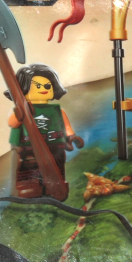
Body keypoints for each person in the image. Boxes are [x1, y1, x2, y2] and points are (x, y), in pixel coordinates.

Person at [5, 63, 83, 198]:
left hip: (55, 146)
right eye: (37, 86)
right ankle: (29, 187)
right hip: (28, 147)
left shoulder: (57, 111)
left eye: (47, 86)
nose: (43, 89)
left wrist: (71, 137)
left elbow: (66, 127)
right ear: (23, 88)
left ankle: (56, 188)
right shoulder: (22, 109)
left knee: (56, 166)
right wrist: (20, 113)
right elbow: (12, 123)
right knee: (28, 167)